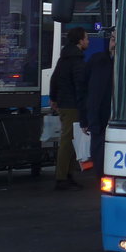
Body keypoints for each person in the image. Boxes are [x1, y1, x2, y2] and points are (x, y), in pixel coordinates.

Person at [49, 26, 88, 190]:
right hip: (72, 105)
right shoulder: (77, 60)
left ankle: (67, 174)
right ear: (80, 41)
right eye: (86, 38)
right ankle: (62, 176)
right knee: (68, 140)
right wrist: (84, 104)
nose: (88, 41)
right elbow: (80, 84)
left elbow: (54, 78)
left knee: (70, 139)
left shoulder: (64, 57)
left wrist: (53, 98)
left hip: (64, 103)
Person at [81, 28, 115, 179]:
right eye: (113, 39)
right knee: (98, 157)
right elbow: (83, 90)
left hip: (120, 119)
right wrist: (84, 119)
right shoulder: (97, 60)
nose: (114, 44)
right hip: (99, 120)